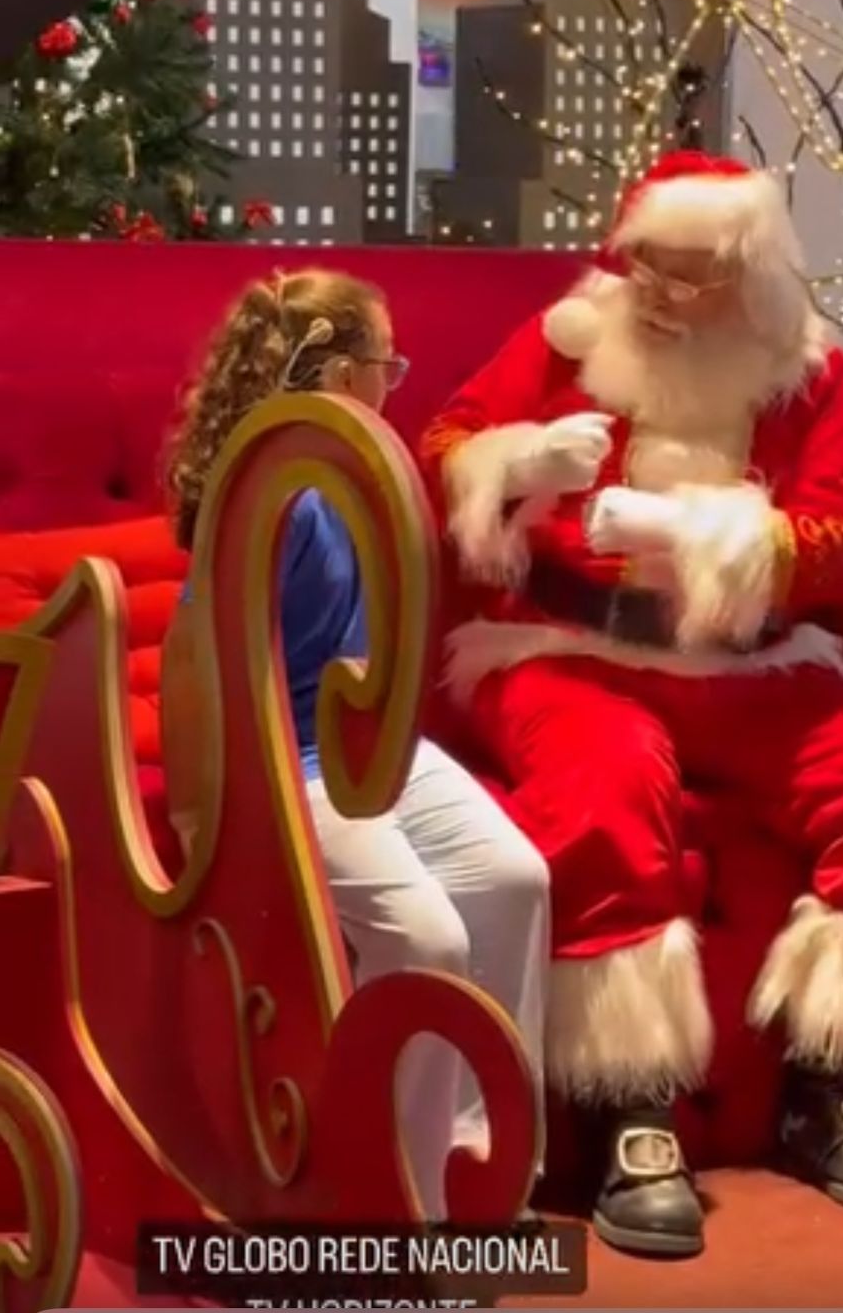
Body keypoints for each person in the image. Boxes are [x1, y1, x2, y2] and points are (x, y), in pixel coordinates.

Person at [419, 150, 843, 1259]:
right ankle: (630, 1102)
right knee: (604, 781)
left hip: (752, 668)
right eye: (645, 266)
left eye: (689, 274)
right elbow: (446, 450)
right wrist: (521, 463)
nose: (658, 294)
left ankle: (831, 1085)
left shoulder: (813, 378)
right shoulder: (570, 338)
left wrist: (692, 535)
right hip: (566, 649)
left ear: (747, 272)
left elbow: (840, 541)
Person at [162, 268, 550, 1222]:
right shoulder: (277, 492)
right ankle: (395, 1196)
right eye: (388, 363)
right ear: (341, 372)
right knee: (428, 937)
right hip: (288, 762)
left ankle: (477, 1156)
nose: (394, 382)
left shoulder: (360, 478)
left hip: (371, 745)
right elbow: (194, 658)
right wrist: (207, 807)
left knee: (515, 879)